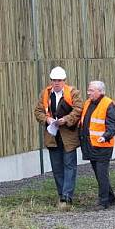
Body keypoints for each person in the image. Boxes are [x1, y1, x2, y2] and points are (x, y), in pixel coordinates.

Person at [34, 66, 83, 210]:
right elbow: (38, 111)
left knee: (69, 165)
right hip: (52, 136)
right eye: (54, 80)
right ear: (51, 81)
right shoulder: (45, 94)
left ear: (64, 81)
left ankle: (67, 196)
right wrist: (47, 120)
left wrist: (66, 119)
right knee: (57, 167)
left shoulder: (73, 93)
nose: (56, 83)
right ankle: (62, 194)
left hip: (68, 136)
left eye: (59, 80)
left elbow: (78, 109)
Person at [79, 80, 115, 209]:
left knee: (101, 173)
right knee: (98, 173)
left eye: (91, 90)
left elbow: (113, 125)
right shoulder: (88, 103)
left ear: (100, 91)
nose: (88, 92)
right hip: (91, 145)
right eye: (88, 90)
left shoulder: (108, 104)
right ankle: (110, 197)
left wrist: (105, 136)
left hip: (103, 145)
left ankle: (103, 201)